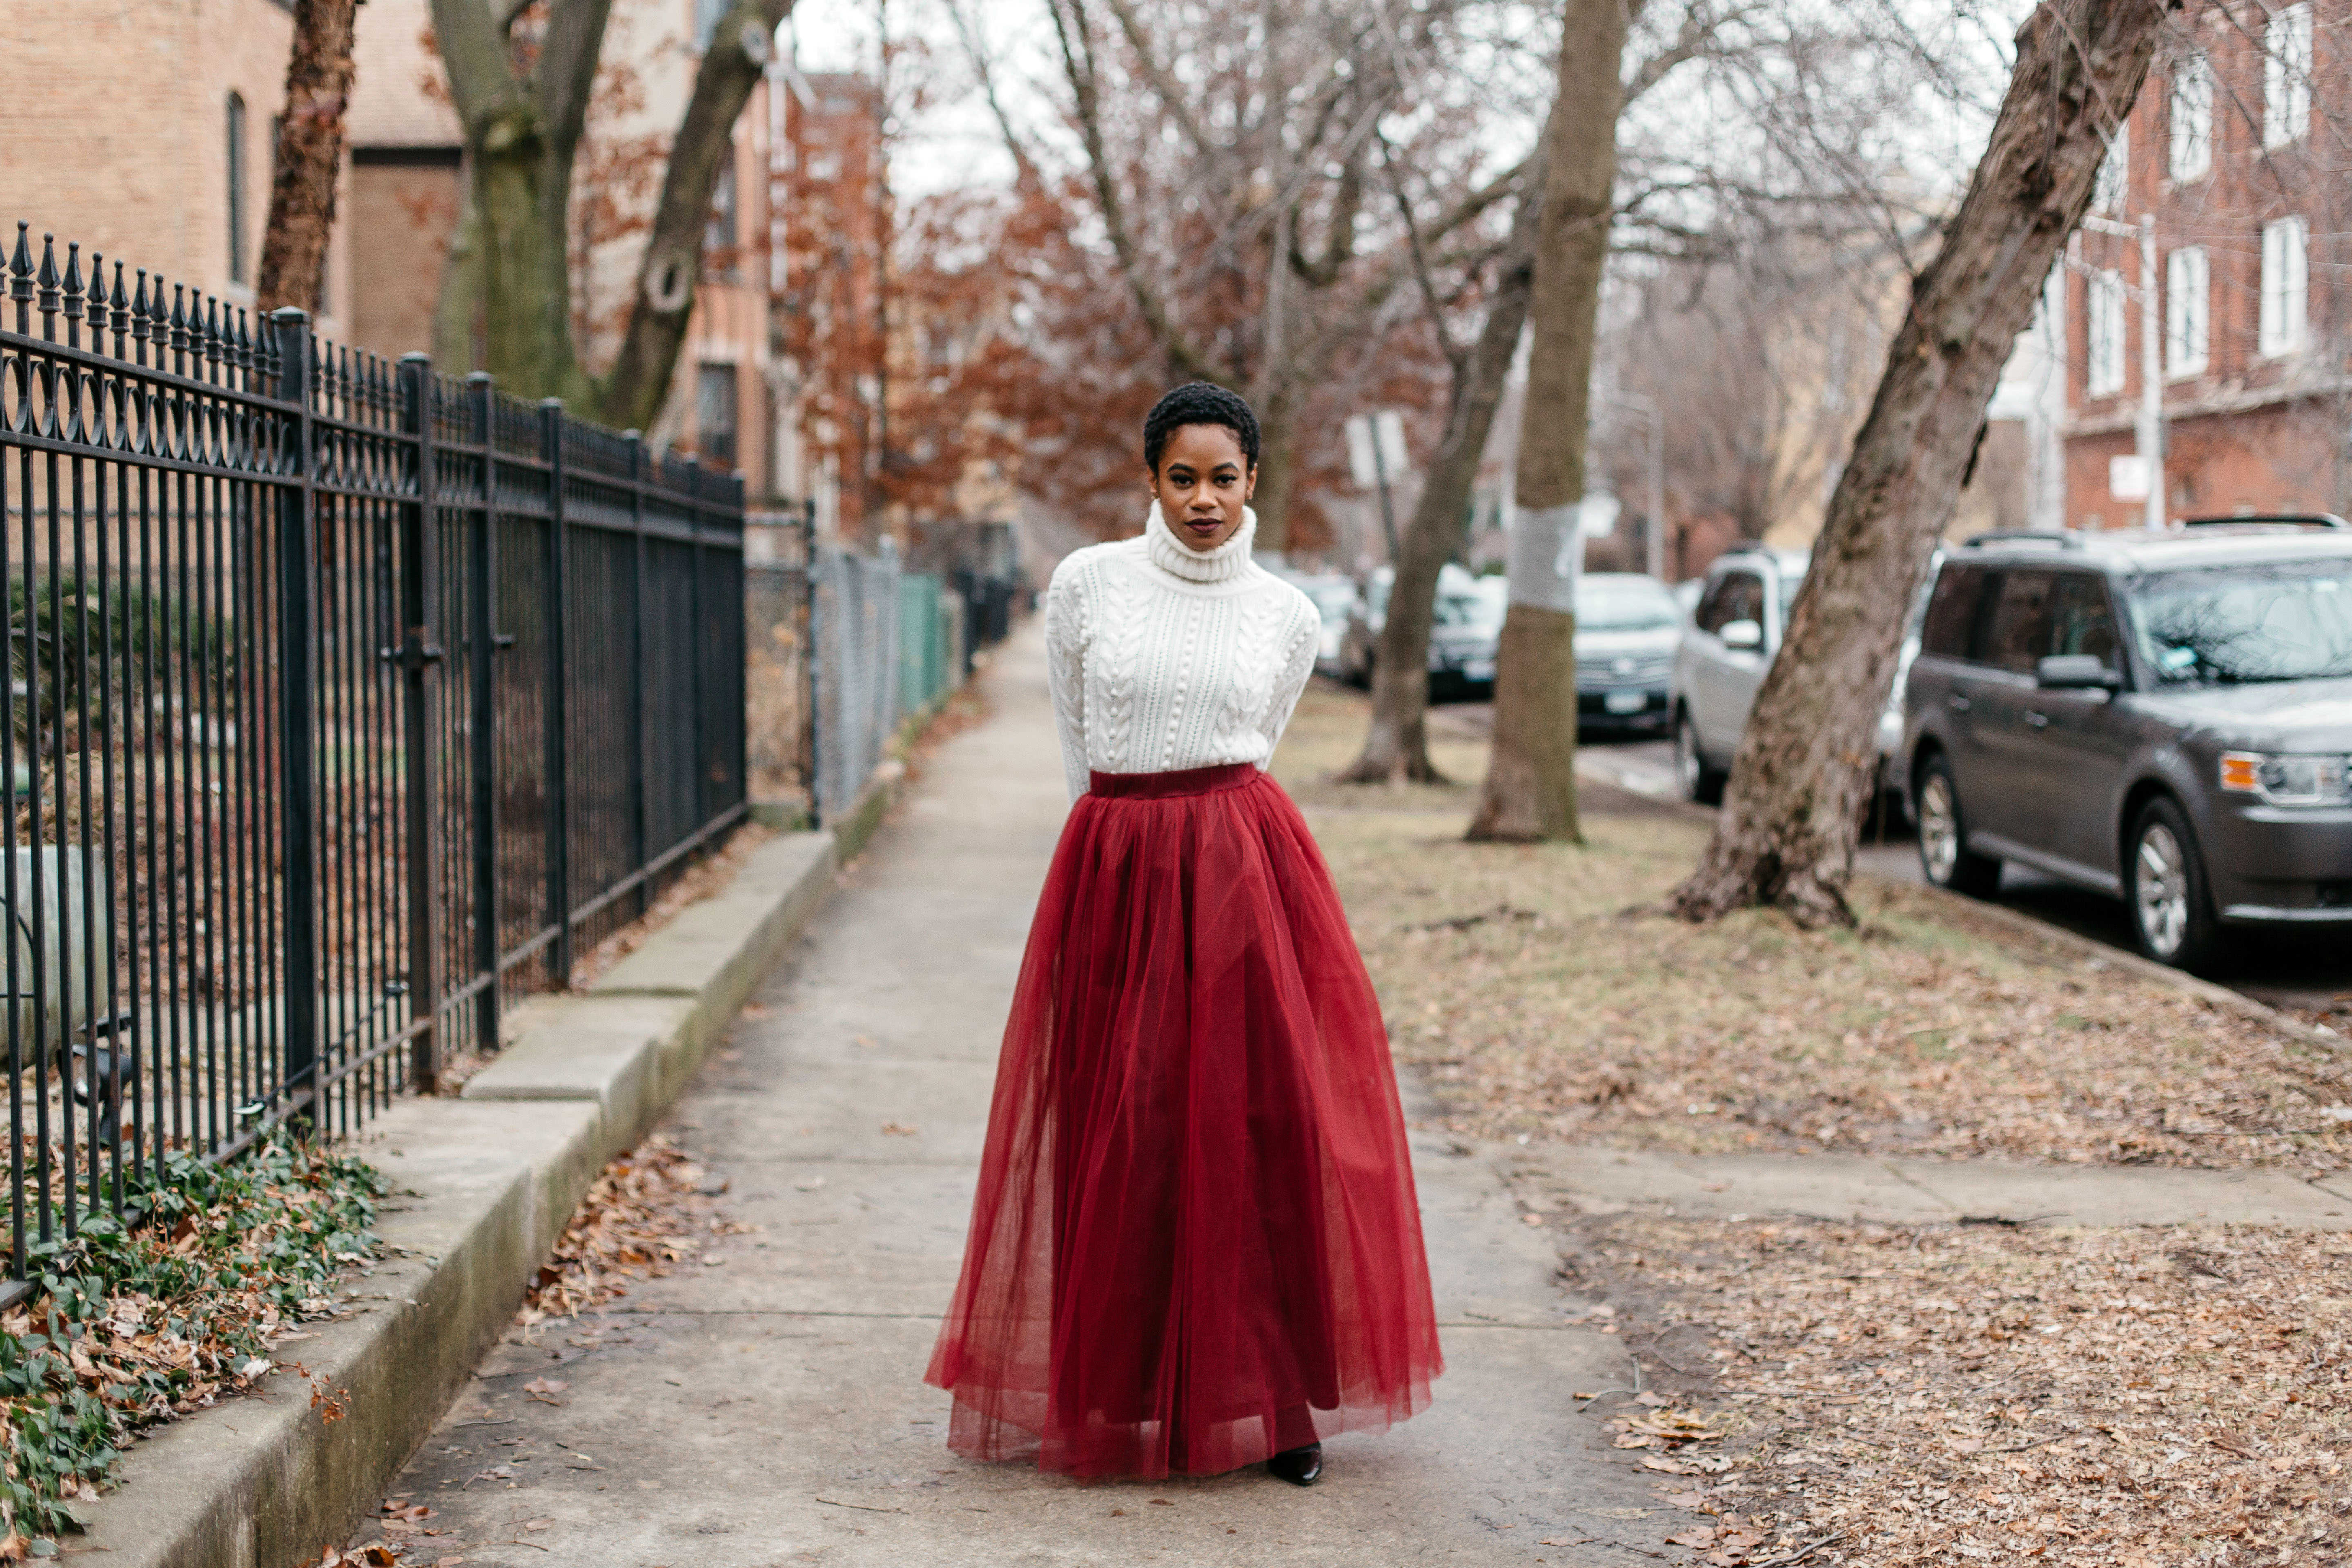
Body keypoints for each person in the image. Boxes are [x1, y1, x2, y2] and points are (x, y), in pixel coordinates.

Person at [925, 383, 1443, 1486]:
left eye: (1223, 477)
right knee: (1126, 1121)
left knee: (1253, 1126)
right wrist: (1109, 859)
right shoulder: (1086, 583)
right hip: (1113, 864)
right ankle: (1116, 1385)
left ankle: (1271, 1404)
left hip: (1245, 873)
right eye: (1182, 477)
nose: (1204, 499)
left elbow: (1257, 739)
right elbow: (1077, 736)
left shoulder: (1289, 615)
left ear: (1254, 480)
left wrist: (1205, 851)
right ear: (1150, 480)